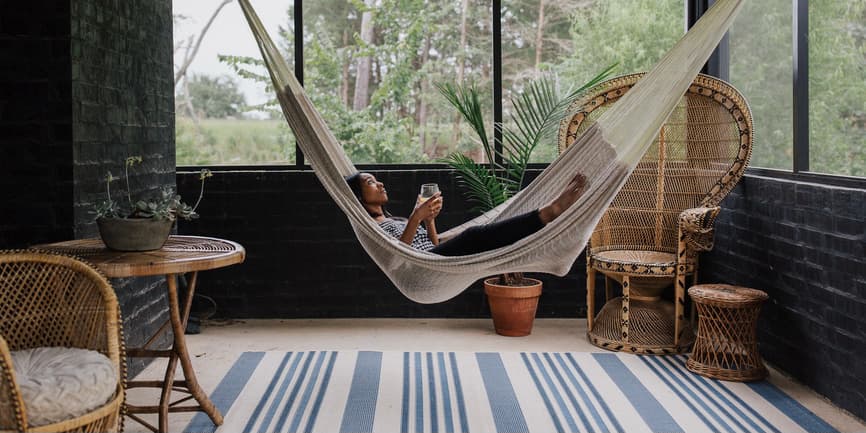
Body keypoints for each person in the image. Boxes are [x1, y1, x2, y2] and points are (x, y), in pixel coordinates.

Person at [345, 172, 588, 256]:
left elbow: (432, 243)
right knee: (473, 235)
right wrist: (416, 217)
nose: (380, 184)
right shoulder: (373, 228)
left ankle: (546, 212)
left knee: (481, 230)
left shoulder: (394, 220)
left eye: (377, 180)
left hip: (431, 255)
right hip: (423, 264)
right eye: (370, 182)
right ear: (357, 195)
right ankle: (549, 212)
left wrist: (428, 220)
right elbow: (399, 255)